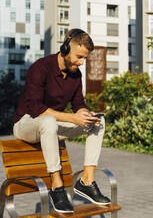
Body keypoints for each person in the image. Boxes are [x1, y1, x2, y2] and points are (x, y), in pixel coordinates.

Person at [13, 28, 111, 213]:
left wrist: (85, 115)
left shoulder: (75, 75)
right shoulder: (40, 68)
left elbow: (78, 104)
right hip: (26, 123)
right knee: (48, 121)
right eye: (79, 57)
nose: (81, 63)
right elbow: (35, 108)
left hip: (51, 125)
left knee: (98, 122)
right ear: (65, 49)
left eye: (85, 58)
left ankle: (86, 182)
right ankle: (56, 187)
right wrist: (71, 118)